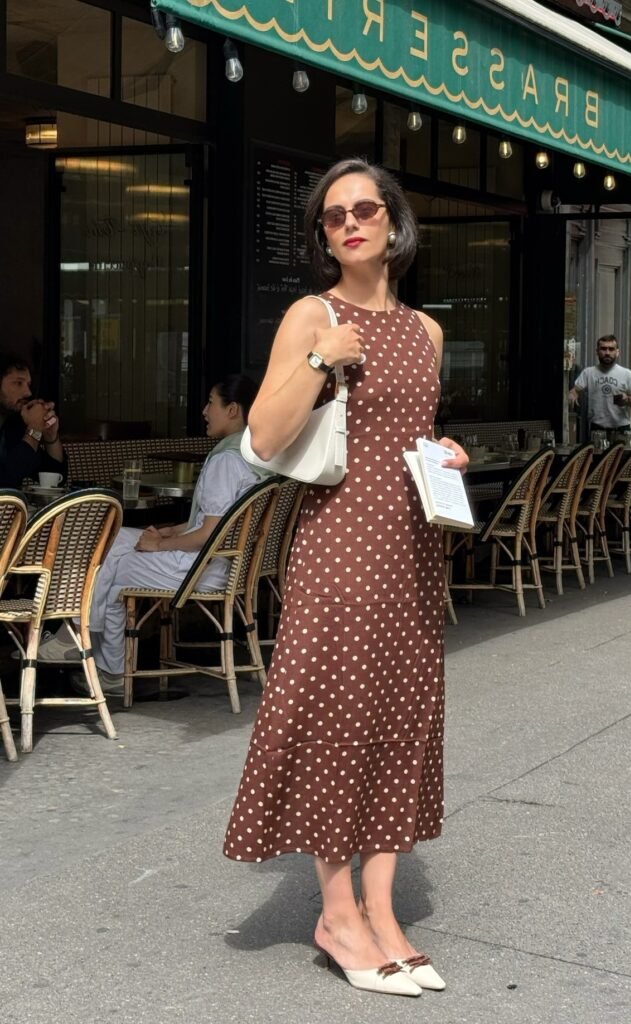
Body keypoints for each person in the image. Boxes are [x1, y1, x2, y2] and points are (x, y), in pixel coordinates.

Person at [224, 158, 468, 997]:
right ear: (323, 235)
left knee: (402, 718)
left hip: (409, 550)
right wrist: (325, 357)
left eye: (366, 210)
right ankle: (335, 912)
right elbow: (261, 434)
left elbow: (406, 434)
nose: (351, 224)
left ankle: (383, 907)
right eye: (334, 217)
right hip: (338, 551)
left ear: (396, 222)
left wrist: (442, 455)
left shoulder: (427, 333)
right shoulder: (311, 313)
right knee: (336, 718)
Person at [35, 375, 269, 694]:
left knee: (115, 569)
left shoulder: (226, 460)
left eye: (210, 403)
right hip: (228, 564)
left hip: (203, 568)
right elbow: (219, 519)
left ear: (232, 410)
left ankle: (108, 667)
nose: (203, 411)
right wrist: (171, 529)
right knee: (112, 540)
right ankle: (74, 635)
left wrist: (160, 543)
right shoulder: (253, 453)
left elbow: (209, 533)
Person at [0, 353, 66, 489]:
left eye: (28, 384)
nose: (28, 393)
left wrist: (50, 437)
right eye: (18, 383)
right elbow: (6, 480)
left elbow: (55, 479)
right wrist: (35, 429)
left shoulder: (14, 425)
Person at [568, 334, 631, 436]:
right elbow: (575, 390)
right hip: (597, 429)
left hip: (621, 429)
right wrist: (573, 394)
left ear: (617, 352)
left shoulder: (626, 374)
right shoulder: (588, 373)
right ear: (597, 351)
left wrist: (627, 400)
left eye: (611, 349)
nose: (607, 353)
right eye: (603, 349)